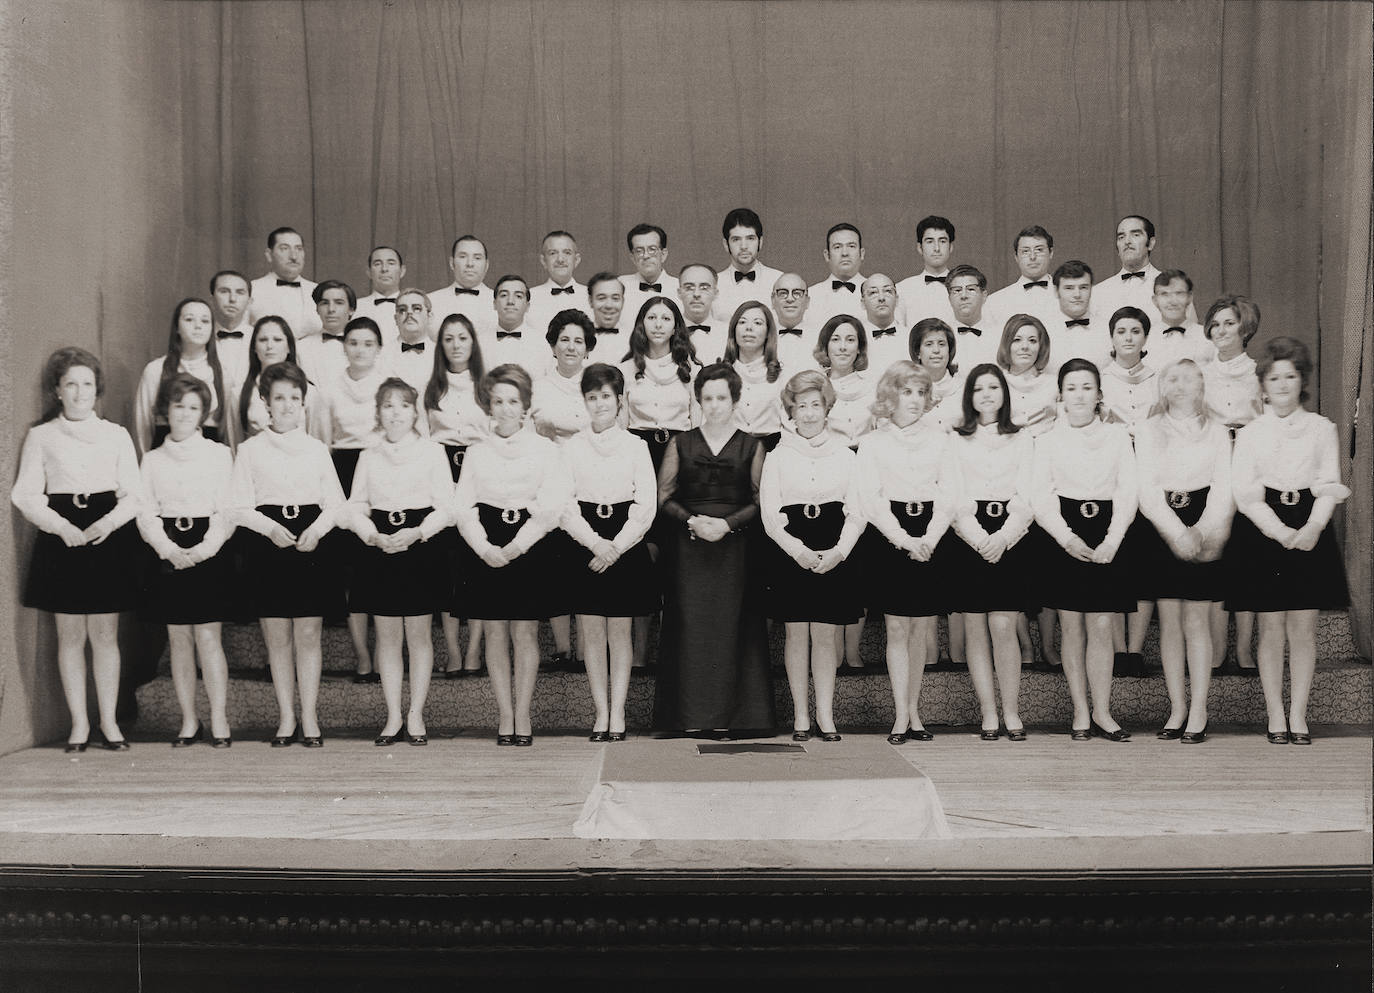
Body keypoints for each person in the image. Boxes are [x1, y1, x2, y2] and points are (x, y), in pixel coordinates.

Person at [13, 347, 142, 751]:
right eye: (71, 384)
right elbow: (26, 495)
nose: (80, 392)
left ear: (97, 389)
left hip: (107, 535)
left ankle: (109, 723)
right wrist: (61, 527)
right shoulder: (42, 436)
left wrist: (105, 523)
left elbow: (135, 495)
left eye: (87, 383)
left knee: (105, 635)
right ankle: (79, 726)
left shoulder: (115, 435)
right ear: (57, 390)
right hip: (62, 537)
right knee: (69, 636)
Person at [1228, 337, 1350, 745]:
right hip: (1264, 527)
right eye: (1274, 377)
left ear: (1302, 382)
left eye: (1290, 376)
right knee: (1271, 629)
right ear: (1262, 385)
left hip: (1310, 523)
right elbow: (1245, 493)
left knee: (1303, 630)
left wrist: (1313, 528)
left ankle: (1298, 715)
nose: (1282, 384)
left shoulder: (1322, 428)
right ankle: (1274, 715)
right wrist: (1279, 532)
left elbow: (1329, 483)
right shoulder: (1250, 434)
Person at [453, 364, 574, 746]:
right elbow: (463, 507)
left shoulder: (545, 449)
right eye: (498, 401)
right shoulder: (475, 452)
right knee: (494, 632)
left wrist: (519, 545)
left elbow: (552, 504)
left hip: (530, 543)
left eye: (513, 401)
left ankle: (523, 714)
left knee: (524, 632)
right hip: (486, 543)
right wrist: (485, 548)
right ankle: (504, 715)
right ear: (489, 405)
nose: (505, 408)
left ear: (525, 406)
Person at [229, 361, 345, 748]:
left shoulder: (316, 450)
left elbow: (335, 504)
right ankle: (286, 717)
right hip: (269, 543)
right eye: (279, 398)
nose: (288, 405)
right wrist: (269, 529)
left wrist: (315, 530)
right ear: (265, 402)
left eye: (295, 398)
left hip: (310, 541)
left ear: (303, 402)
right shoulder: (249, 450)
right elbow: (239, 506)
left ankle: (310, 717)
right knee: (277, 637)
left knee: (309, 635)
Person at [653, 363, 774, 735]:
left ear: (735, 399)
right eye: (708, 397)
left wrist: (727, 524)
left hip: (735, 550)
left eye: (722, 397)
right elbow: (664, 495)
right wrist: (692, 521)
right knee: (691, 629)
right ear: (699, 399)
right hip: (689, 550)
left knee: (734, 628)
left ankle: (738, 719)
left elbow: (761, 500)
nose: (715, 404)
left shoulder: (752, 445)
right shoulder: (681, 442)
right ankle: (688, 718)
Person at [1031, 357, 1138, 741]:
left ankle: (1103, 711)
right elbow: (1040, 496)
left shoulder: (1117, 437)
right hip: (1065, 532)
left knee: (1103, 624)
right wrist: (1067, 539)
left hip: (1108, 530)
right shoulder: (1046, 440)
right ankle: (1080, 709)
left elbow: (1128, 491)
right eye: (1071, 388)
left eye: (1087, 388)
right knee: (1072, 625)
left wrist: (1111, 540)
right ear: (1060, 395)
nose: (1079, 395)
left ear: (1099, 395)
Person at [853, 362, 958, 742]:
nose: (914, 400)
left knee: (921, 629)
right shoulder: (873, 442)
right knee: (897, 626)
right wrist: (902, 539)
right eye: (906, 392)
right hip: (890, 536)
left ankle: (915, 711)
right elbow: (871, 499)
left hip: (930, 532)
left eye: (920, 392)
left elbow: (949, 492)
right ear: (889, 396)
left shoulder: (942, 439)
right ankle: (900, 714)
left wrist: (929, 536)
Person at [345, 378, 452, 747]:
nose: (395, 413)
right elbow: (356, 505)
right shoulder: (368, 455)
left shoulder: (432, 452)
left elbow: (447, 507)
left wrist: (418, 533)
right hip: (381, 546)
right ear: (378, 412)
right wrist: (370, 534)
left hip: (418, 547)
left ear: (415, 411)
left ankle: (416, 714)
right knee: (388, 638)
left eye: (403, 405)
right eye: (388, 406)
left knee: (419, 635)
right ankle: (392, 715)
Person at [760, 370, 864, 741]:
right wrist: (799, 552)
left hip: (833, 545)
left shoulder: (845, 455)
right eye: (800, 406)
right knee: (795, 635)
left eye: (815, 405)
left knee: (824, 636)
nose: (808, 413)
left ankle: (826, 714)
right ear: (791, 410)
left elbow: (857, 510)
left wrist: (839, 552)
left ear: (827, 408)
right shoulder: (778, 455)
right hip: (792, 549)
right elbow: (770, 516)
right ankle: (801, 716)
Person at [1135, 360, 1234, 743]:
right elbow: (1147, 489)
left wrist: (1203, 531)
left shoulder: (1217, 430)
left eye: (1189, 378)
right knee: (1171, 622)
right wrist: (1177, 534)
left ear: (1202, 386)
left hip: (1204, 522)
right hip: (1163, 525)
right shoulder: (1147, 430)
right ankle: (1177, 706)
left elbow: (1224, 488)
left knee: (1197, 620)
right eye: (1171, 378)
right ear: (1162, 386)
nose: (1180, 386)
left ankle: (1199, 708)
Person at [135, 374, 235, 747]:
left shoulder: (219, 454)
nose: (185, 414)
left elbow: (226, 511)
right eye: (179, 406)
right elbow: (145, 514)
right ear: (166, 410)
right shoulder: (152, 459)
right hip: (168, 548)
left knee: (208, 638)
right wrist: (169, 550)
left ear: (203, 414)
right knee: (178, 640)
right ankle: (189, 721)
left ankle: (220, 718)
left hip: (208, 547)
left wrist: (203, 550)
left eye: (194, 408)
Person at [560, 364, 659, 740]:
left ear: (619, 401)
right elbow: (565, 505)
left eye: (605, 396)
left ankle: (618, 712)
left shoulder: (636, 446)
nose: (599, 403)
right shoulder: (572, 447)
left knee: (620, 632)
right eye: (592, 396)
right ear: (583, 401)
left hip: (624, 541)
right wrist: (595, 543)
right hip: (586, 541)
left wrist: (615, 546)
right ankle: (600, 711)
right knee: (591, 632)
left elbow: (645, 505)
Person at [948, 364, 1036, 740]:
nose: (986, 394)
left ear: (1005, 393)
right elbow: (952, 493)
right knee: (975, 628)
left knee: (1003, 626)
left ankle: (1012, 710)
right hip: (969, 537)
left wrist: (1004, 537)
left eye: (994, 387)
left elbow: (1029, 492)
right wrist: (977, 536)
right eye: (978, 388)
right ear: (969, 396)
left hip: (1010, 537)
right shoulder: (955, 439)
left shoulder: (1023, 438)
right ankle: (988, 712)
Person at [311, 315, 389, 683]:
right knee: (353, 569)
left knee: (378, 565)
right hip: (341, 471)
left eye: (368, 344)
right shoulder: (328, 389)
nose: (360, 350)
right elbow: (322, 441)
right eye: (353, 342)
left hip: (379, 473)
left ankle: (386, 652)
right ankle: (361, 656)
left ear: (379, 349)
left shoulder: (388, 388)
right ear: (344, 346)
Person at [1201, 295, 1265, 673]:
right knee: (1213, 560)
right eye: (1216, 324)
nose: (1221, 330)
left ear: (1245, 328)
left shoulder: (1260, 372)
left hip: (1248, 466)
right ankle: (1216, 648)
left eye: (1229, 323)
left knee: (1245, 559)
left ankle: (1242, 647)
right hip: (1211, 469)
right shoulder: (1201, 373)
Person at [995, 313, 1062, 671]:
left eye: (1032, 340)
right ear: (1007, 343)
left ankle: (1049, 644)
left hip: (1048, 485)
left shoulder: (1054, 385)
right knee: (1014, 573)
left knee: (1048, 572)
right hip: (1010, 488)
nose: (1025, 346)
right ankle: (1024, 644)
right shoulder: (996, 384)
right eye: (1018, 339)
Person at [425, 313, 490, 678]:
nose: (455, 344)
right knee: (447, 569)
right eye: (448, 338)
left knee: (477, 566)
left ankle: (475, 650)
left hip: (478, 474)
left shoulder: (486, 385)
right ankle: (452, 651)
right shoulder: (432, 387)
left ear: (472, 342)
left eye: (462, 337)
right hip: (441, 474)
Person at [529, 309, 593, 669]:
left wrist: (557, 429)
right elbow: (534, 433)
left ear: (588, 348)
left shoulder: (596, 382)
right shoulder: (537, 385)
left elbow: (597, 428)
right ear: (553, 345)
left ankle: (584, 650)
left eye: (578, 341)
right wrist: (570, 431)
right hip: (549, 483)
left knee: (583, 565)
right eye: (564, 339)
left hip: (587, 482)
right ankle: (562, 647)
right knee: (553, 567)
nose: (571, 346)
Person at [1100, 305, 1159, 677]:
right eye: (1121, 331)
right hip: (1113, 474)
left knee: (1144, 563)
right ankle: (1118, 648)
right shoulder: (1099, 379)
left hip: (1151, 472)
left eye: (1135, 331)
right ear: (1111, 337)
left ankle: (1135, 649)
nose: (1128, 337)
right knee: (1116, 562)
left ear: (1144, 338)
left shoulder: (1159, 378)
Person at [133, 298, 233, 454]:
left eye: (205, 321)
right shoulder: (155, 370)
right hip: (164, 455)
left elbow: (228, 428)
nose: (198, 326)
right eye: (189, 319)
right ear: (177, 327)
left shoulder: (222, 374)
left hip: (207, 458)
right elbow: (143, 426)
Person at [1091, 214, 1197, 329]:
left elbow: (1191, 335)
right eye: (1121, 237)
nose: (1127, 241)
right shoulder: (1098, 293)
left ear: (1151, 243)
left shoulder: (1175, 288)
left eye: (1135, 235)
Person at [234, 316, 317, 440]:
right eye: (263, 340)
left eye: (277, 340)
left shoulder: (310, 392)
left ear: (289, 347)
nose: (269, 346)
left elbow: (315, 441)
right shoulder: (238, 393)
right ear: (254, 348)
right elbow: (235, 445)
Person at [723, 301, 785, 449]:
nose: (749, 328)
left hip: (771, 449)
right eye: (742, 322)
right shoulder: (720, 373)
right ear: (733, 330)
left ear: (767, 333)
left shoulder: (783, 375)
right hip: (728, 450)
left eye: (758, 323)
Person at [985, 225, 1060, 333]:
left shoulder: (1070, 298)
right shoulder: (996, 302)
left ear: (1051, 252)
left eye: (1039, 250)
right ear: (1016, 256)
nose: (1032, 257)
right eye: (1025, 251)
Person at [250, 226, 321, 339]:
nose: (293, 256)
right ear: (269, 255)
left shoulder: (319, 291)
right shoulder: (252, 290)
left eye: (298, 248)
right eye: (284, 248)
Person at [713, 207, 783, 321]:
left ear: (760, 242)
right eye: (736, 239)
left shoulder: (779, 281)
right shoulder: (714, 285)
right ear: (726, 244)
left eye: (750, 238)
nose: (744, 246)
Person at [815, 314, 875, 447]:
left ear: (859, 347)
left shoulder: (872, 389)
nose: (843, 347)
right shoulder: (815, 387)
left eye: (850, 340)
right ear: (826, 346)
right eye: (835, 339)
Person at [895, 215, 957, 328]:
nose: (937, 248)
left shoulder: (964, 289)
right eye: (929, 241)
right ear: (919, 247)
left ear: (951, 247)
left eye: (942, 241)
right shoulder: (902, 289)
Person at [482, 274, 550, 375]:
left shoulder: (541, 344)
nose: (510, 301)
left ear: (527, 306)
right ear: (494, 304)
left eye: (518, 296)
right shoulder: (480, 343)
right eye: (504, 295)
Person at [527, 230, 592, 333]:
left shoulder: (591, 297)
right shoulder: (528, 298)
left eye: (567, 253)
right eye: (553, 253)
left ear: (576, 259)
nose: (560, 259)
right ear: (543, 261)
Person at [1049, 260, 1108, 372]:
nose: (1077, 295)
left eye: (1083, 287)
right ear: (1056, 291)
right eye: (1069, 288)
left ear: (1091, 289)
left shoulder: (1109, 329)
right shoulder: (1041, 331)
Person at [430, 235, 494, 337]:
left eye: (477, 258)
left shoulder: (500, 303)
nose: (470, 264)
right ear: (452, 263)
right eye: (463, 257)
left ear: (486, 265)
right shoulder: (430, 302)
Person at [1149, 270, 1214, 369]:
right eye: (1164, 294)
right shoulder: (1146, 339)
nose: (1172, 301)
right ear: (1155, 300)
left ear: (1190, 297)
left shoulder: (1207, 337)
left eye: (1179, 293)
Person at [296, 279, 356, 384]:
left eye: (339, 303)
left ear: (351, 309)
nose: (331, 309)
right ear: (317, 309)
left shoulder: (364, 346)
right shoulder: (301, 348)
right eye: (324, 303)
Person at [806, 223, 868, 324]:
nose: (844, 253)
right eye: (837, 247)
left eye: (851, 246)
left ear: (862, 253)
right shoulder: (811, 296)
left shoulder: (879, 294)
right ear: (827, 255)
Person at [909, 318, 964, 431]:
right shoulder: (906, 388)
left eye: (942, 344)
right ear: (917, 352)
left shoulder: (963, 386)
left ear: (950, 350)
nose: (936, 350)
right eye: (929, 344)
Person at [619, 223, 679, 326]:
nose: (646, 255)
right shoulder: (619, 286)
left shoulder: (679, 288)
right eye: (639, 251)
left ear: (663, 254)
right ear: (632, 257)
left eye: (652, 249)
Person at [944, 264, 1000, 371]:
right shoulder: (940, 339)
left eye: (970, 289)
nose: (964, 296)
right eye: (957, 290)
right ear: (949, 298)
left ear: (984, 295)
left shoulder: (1000, 336)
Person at [384, 288, 436, 393]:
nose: (409, 313)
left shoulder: (441, 353)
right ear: (396, 319)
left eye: (416, 308)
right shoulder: (382, 354)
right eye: (402, 310)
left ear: (429, 317)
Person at [210, 270, 254, 386]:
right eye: (224, 291)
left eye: (240, 292)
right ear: (212, 299)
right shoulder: (199, 338)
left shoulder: (260, 338)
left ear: (250, 302)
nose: (232, 299)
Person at [859, 273, 907, 376]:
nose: (881, 298)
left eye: (888, 291)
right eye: (873, 293)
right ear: (863, 303)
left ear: (897, 299)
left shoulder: (911, 336)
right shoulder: (854, 340)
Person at [678, 262, 726, 364]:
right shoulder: (667, 333)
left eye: (704, 288)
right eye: (689, 287)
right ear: (679, 293)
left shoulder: (729, 333)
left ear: (715, 293)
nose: (696, 294)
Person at [770, 272, 819, 373]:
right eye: (783, 293)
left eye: (797, 293)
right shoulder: (761, 338)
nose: (790, 299)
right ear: (773, 300)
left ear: (807, 301)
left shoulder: (821, 338)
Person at [353, 245, 405, 329]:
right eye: (377, 264)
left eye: (391, 263)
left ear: (402, 271)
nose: (384, 269)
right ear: (369, 272)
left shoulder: (415, 307)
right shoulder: (356, 308)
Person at [586, 272, 631, 365]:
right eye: (601, 298)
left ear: (623, 302)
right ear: (590, 301)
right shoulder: (577, 339)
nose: (609, 305)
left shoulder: (635, 340)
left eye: (615, 298)